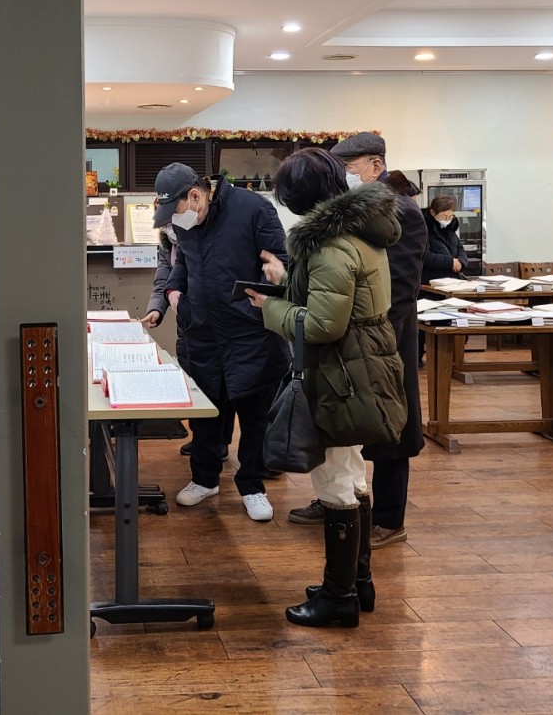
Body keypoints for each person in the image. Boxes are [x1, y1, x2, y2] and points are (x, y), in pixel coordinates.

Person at [245, 147, 406, 627]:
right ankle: (358, 582)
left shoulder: (330, 245)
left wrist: (271, 308)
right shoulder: (361, 231)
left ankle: (338, 599)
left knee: (334, 478)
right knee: (351, 473)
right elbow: (338, 302)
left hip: (340, 372)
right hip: (361, 366)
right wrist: (284, 282)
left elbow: (322, 325)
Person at [287, 132, 427, 553]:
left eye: (348, 167)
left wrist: (365, 337)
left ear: (375, 165)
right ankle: (340, 499)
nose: (343, 175)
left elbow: (397, 289)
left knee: (388, 429)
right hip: (349, 338)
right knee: (344, 422)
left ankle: (388, 519)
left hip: (384, 340)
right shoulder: (353, 210)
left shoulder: (399, 211)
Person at [153, 162, 290, 522]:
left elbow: (282, 260)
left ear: (195, 196)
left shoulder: (253, 209)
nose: (175, 220)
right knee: (206, 417)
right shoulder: (187, 224)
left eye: (176, 210)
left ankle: (253, 486)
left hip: (251, 334)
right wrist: (174, 293)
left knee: (255, 417)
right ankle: (204, 479)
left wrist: (278, 275)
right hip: (203, 335)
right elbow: (183, 265)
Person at [142, 223, 227, 461]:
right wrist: (156, 309)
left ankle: (218, 442)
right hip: (186, 322)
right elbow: (163, 282)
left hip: (211, 321)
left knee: (217, 386)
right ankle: (201, 439)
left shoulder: (204, 236)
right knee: (194, 380)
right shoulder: (167, 244)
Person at [419, 195, 470, 364]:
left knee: (456, 317)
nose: (447, 220)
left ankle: (452, 358)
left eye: (450, 216)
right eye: (443, 216)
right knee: (428, 322)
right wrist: (449, 262)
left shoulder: (451, 229)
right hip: (429, 283)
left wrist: (461, 262)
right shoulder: (423, 228)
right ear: (433, 213)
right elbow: (424, 255)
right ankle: (427, 357)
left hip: (451, 284)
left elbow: (460, 250)